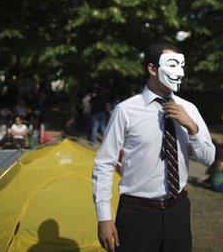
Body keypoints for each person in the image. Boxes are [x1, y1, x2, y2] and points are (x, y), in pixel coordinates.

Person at [92, 41, 215, 252]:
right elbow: (104, 164)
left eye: (182, 66)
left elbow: (209, 158)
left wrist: (192, 127)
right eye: (173, 65)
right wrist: (104, 218)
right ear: (152, 68)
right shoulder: (126, 111)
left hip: (178, 211)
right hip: (136, 214)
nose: (180, 72)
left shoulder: (189, 109)